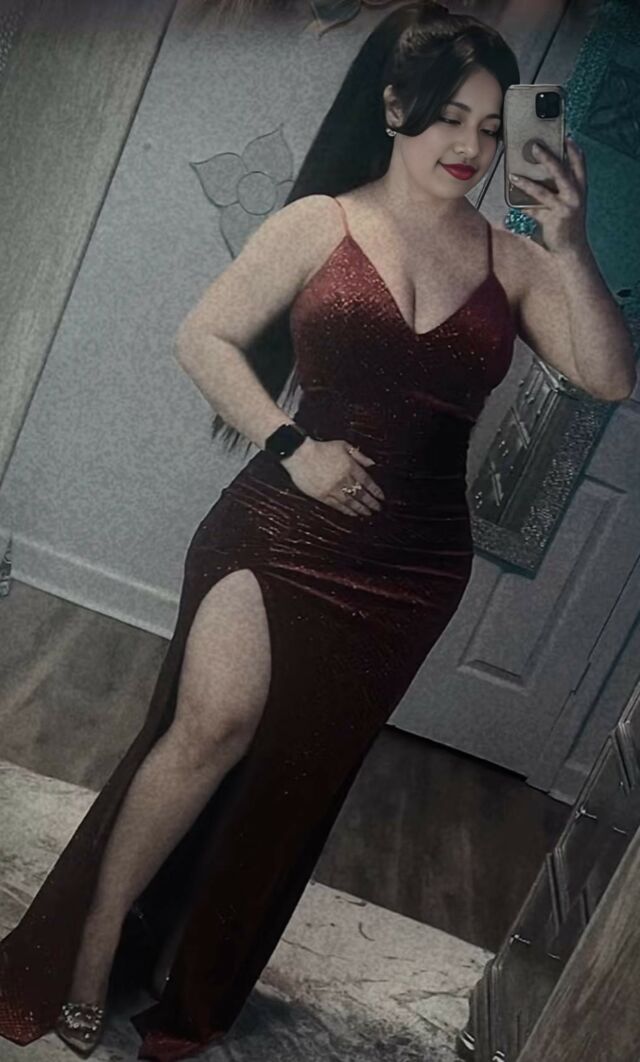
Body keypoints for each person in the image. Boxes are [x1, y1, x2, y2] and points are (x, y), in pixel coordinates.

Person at [0, 1, 634, 1060]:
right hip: (275, 526)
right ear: (393, 108)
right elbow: (203, 338)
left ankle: (189, 983)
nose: (471, 147)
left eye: (491, 127)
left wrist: (566, 244)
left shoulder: (515, 260)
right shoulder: (318, 223)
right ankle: (93, 946)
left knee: (293, 783)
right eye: (450, 118)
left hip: (412, 568)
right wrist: (294, 445)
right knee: (209, 729)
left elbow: (608, 377)